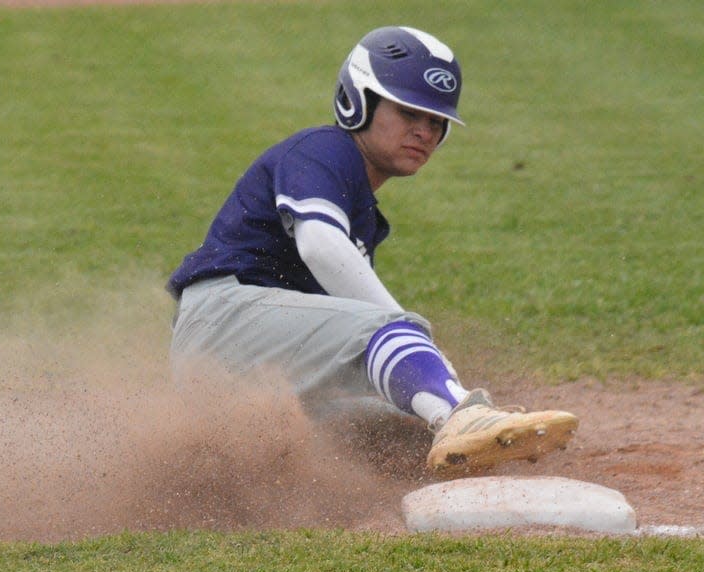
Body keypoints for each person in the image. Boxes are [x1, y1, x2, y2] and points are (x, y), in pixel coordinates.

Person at [167, 26, 578, 473]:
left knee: (402, 433)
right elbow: (321, 247)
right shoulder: (323, 151)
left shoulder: (361, 213)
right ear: (358, 102)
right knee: (392, 337)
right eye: (409, 112)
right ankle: (463, 414)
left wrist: (416, 384)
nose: (425, 131)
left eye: (436, 121)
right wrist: (412, 335)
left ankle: (449, 436)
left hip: (251, 377)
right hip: (224, 320)